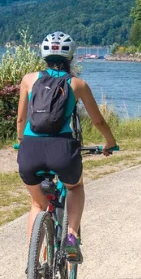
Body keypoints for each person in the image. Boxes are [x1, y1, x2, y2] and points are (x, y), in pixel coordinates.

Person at [16, 32, 118, 263]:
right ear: (70, 56)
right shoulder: (77, 84)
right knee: (75, 187)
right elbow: (98, 121)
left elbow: (21, 120)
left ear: (44, 55)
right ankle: (71, 239)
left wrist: (21, 141)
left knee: (37, 203)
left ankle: (32, 260)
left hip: (30, 150)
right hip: (61, 150)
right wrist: (110, 142)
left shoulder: (28, 80)